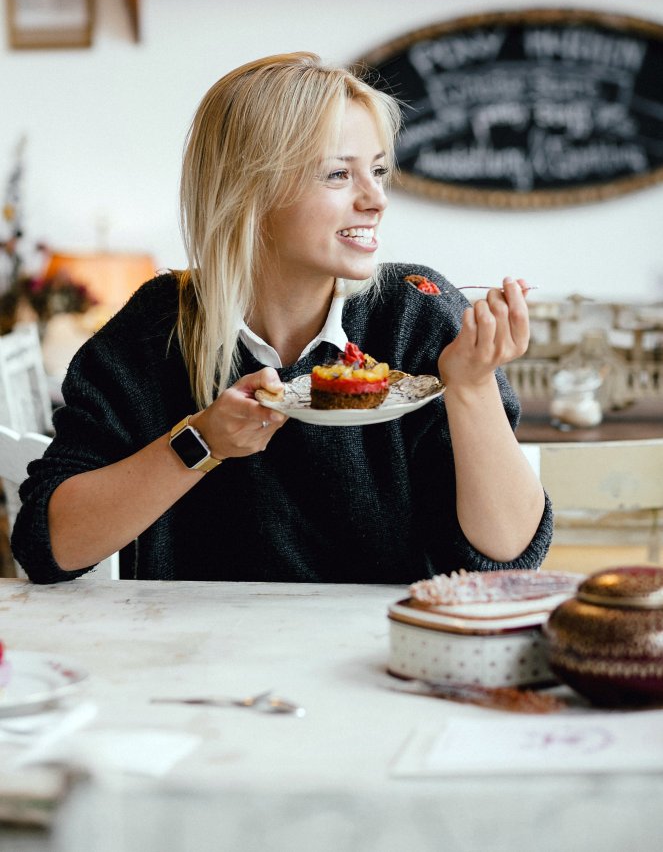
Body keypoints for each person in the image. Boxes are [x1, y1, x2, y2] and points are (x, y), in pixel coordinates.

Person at [12, 52, 551, 583]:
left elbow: (508, 557)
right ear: (249, 190)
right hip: (198, 640)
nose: (376, 199)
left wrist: (472, 386)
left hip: (390, 635)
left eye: (378, 170)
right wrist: (202, 443)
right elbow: (48, 545)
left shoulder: (418, 311)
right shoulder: (158, 326)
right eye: (339, 174)